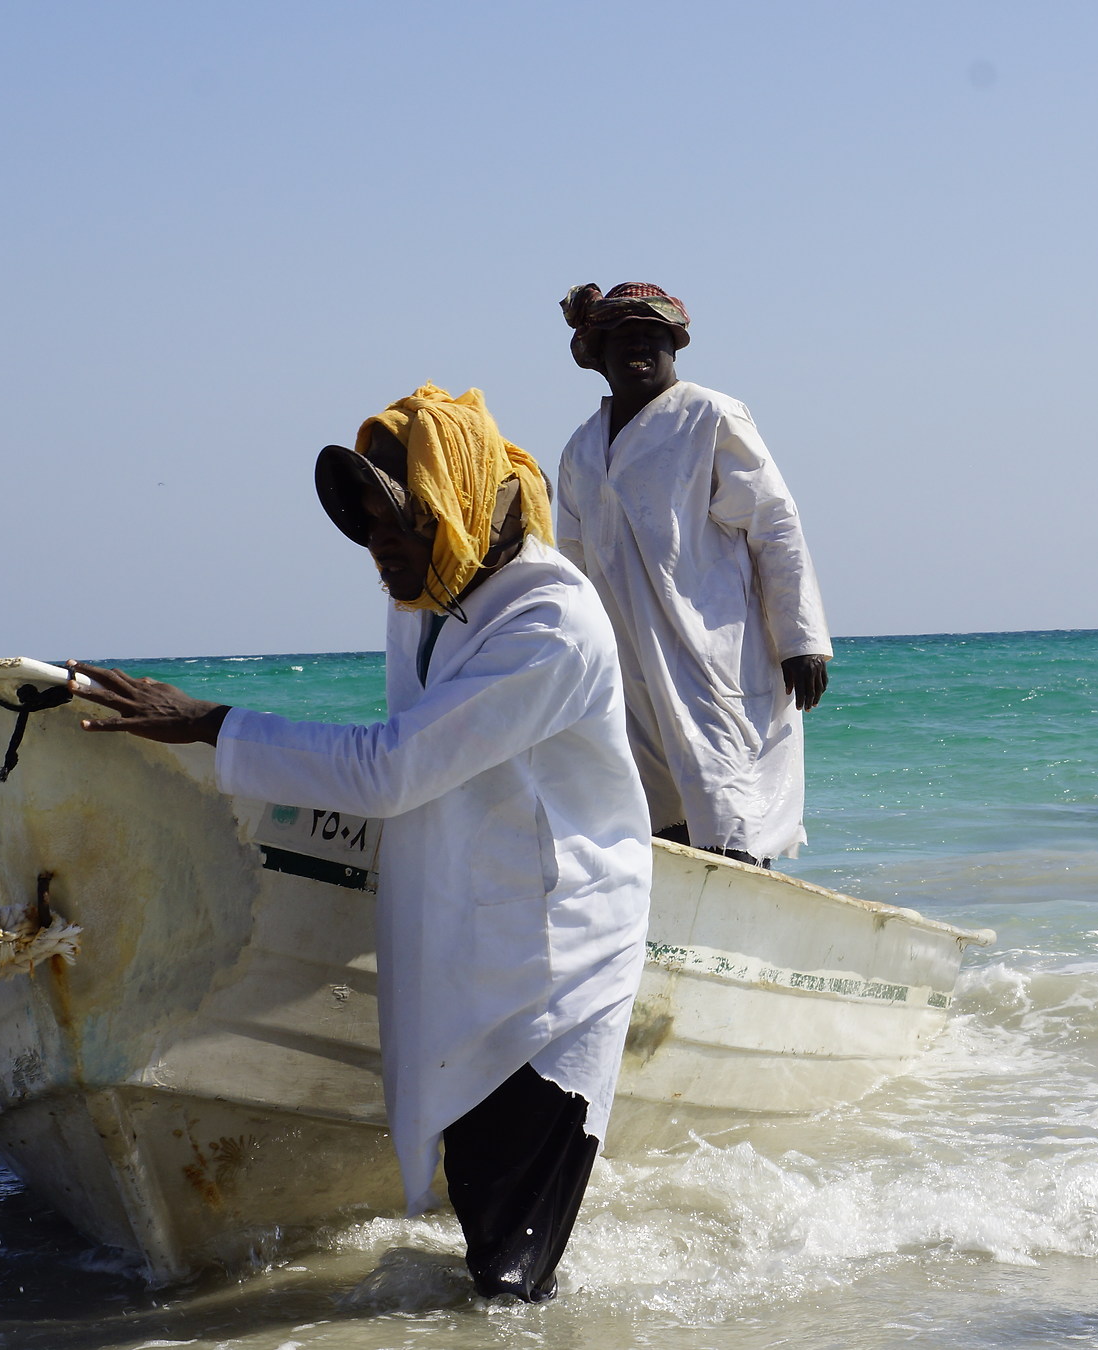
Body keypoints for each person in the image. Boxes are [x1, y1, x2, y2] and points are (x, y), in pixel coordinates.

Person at [64, 384, 651, 1303]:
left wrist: (210, 726)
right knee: (480, 1223)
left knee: (508, 1272)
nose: (377, 539)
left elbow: (389, 770)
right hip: (468, 934)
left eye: (396, 514)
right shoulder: (426, 591)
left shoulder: (552, 628)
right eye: (364, 518)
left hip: (551, 965)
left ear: (455, 503)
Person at [552, 282, 831, 868]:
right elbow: (571, 567)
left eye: (654, 337)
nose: (641, 348)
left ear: (675, 347)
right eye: (625, 338)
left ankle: (741, 929)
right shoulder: (580, 449)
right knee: (649, 813)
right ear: (596, 355)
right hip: (624, 660)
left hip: (716, 653)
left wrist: (800, 641)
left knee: (727, 805)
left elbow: (775, 526)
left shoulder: (710, 416)